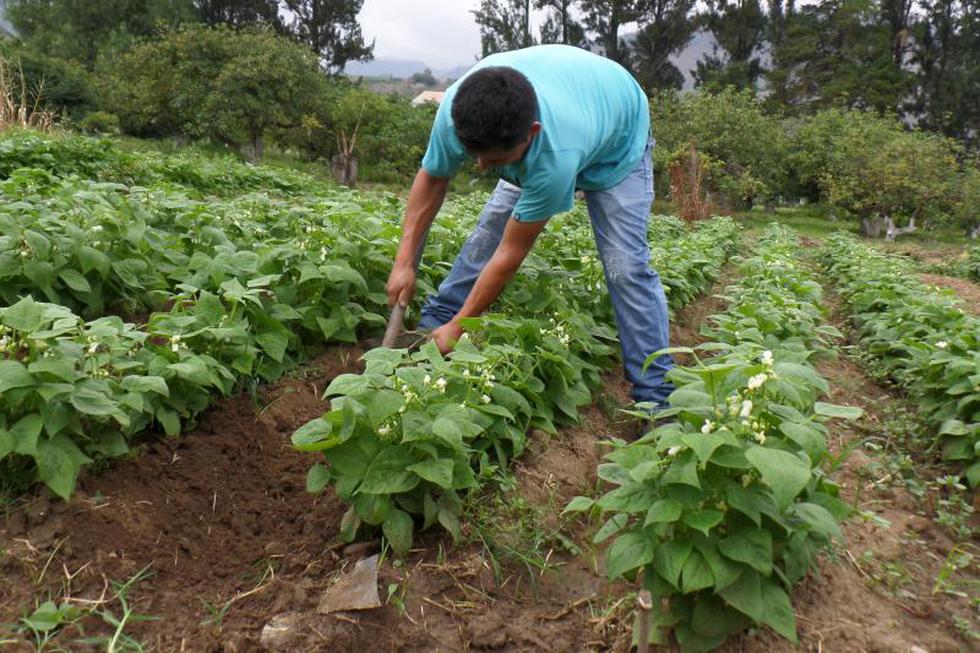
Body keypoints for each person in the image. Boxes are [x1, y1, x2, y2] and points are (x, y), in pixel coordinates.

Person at [385, 44, 674, 410]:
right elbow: (432, 180)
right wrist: (403, 262)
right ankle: (435, 322)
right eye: (475, 155)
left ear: (531, 133)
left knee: (626, 268)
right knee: (488, 232)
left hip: (617, 135)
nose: (479, 168)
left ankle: (657, 397)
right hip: (563, 113)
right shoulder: (459, 111)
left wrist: (463, 327)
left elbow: (511, 253)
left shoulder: (554, 158)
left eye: (496, 161)